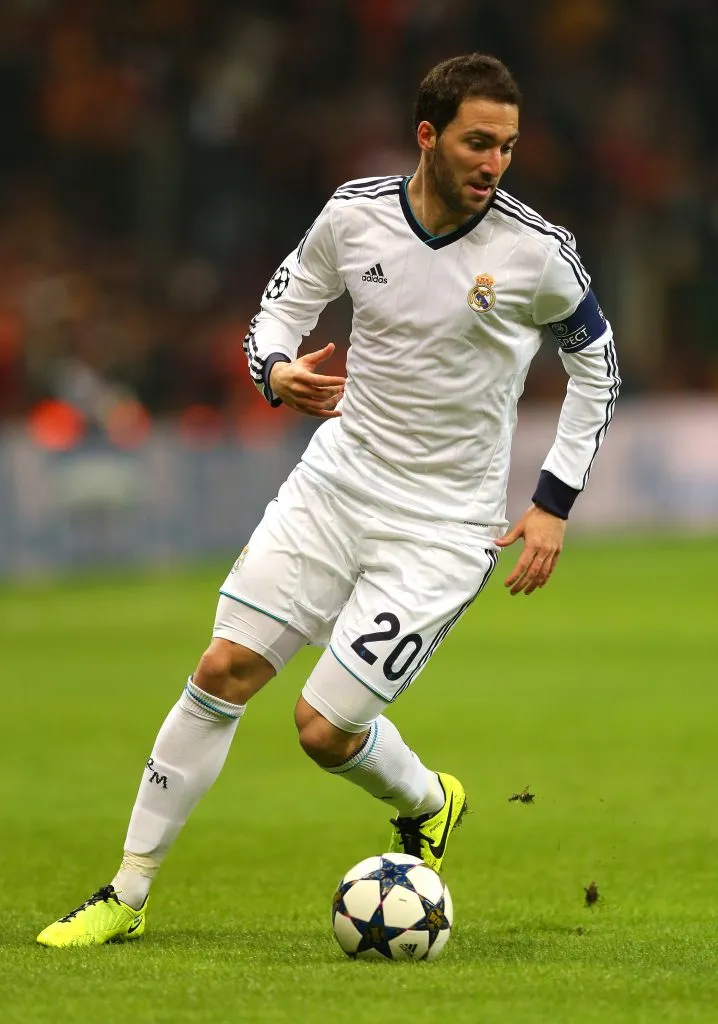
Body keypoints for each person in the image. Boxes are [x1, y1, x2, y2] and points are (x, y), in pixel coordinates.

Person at [37, 52, 620, 947]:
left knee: (322, 728)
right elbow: (278, 308)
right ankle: (126, 893)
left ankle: (430, 799)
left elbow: (597, 369)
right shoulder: (353, 218)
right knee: (221, 670)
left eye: (507, 146)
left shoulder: (536, 253)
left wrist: (552, 501)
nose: (494, 164)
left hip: (442, 528)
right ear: (427, 136)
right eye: (477, 142)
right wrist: (275, 369)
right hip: (335, 486)